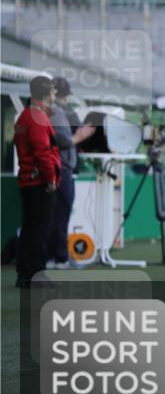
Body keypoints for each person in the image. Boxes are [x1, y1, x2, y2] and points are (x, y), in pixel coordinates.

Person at [13, 77, 61, 287]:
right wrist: (50, 179)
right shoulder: (37, 117)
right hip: (39, 182)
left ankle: (24, 275)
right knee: (39, 231)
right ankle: (37, 277)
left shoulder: (25, 116)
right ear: (46, 93)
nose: (55, 94)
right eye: (53, 91)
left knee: (29, 229)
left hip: (28, 181)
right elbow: (43, 152)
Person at [47, 77, 94, 268]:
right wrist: (79, 136)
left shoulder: (59, 112)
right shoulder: (55, 112)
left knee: (56, 215)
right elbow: (61, 140)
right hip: (60, 168)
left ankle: (56, 256)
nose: (66, 99)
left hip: (59, 168)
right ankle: (60, 258)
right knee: (60, 215)